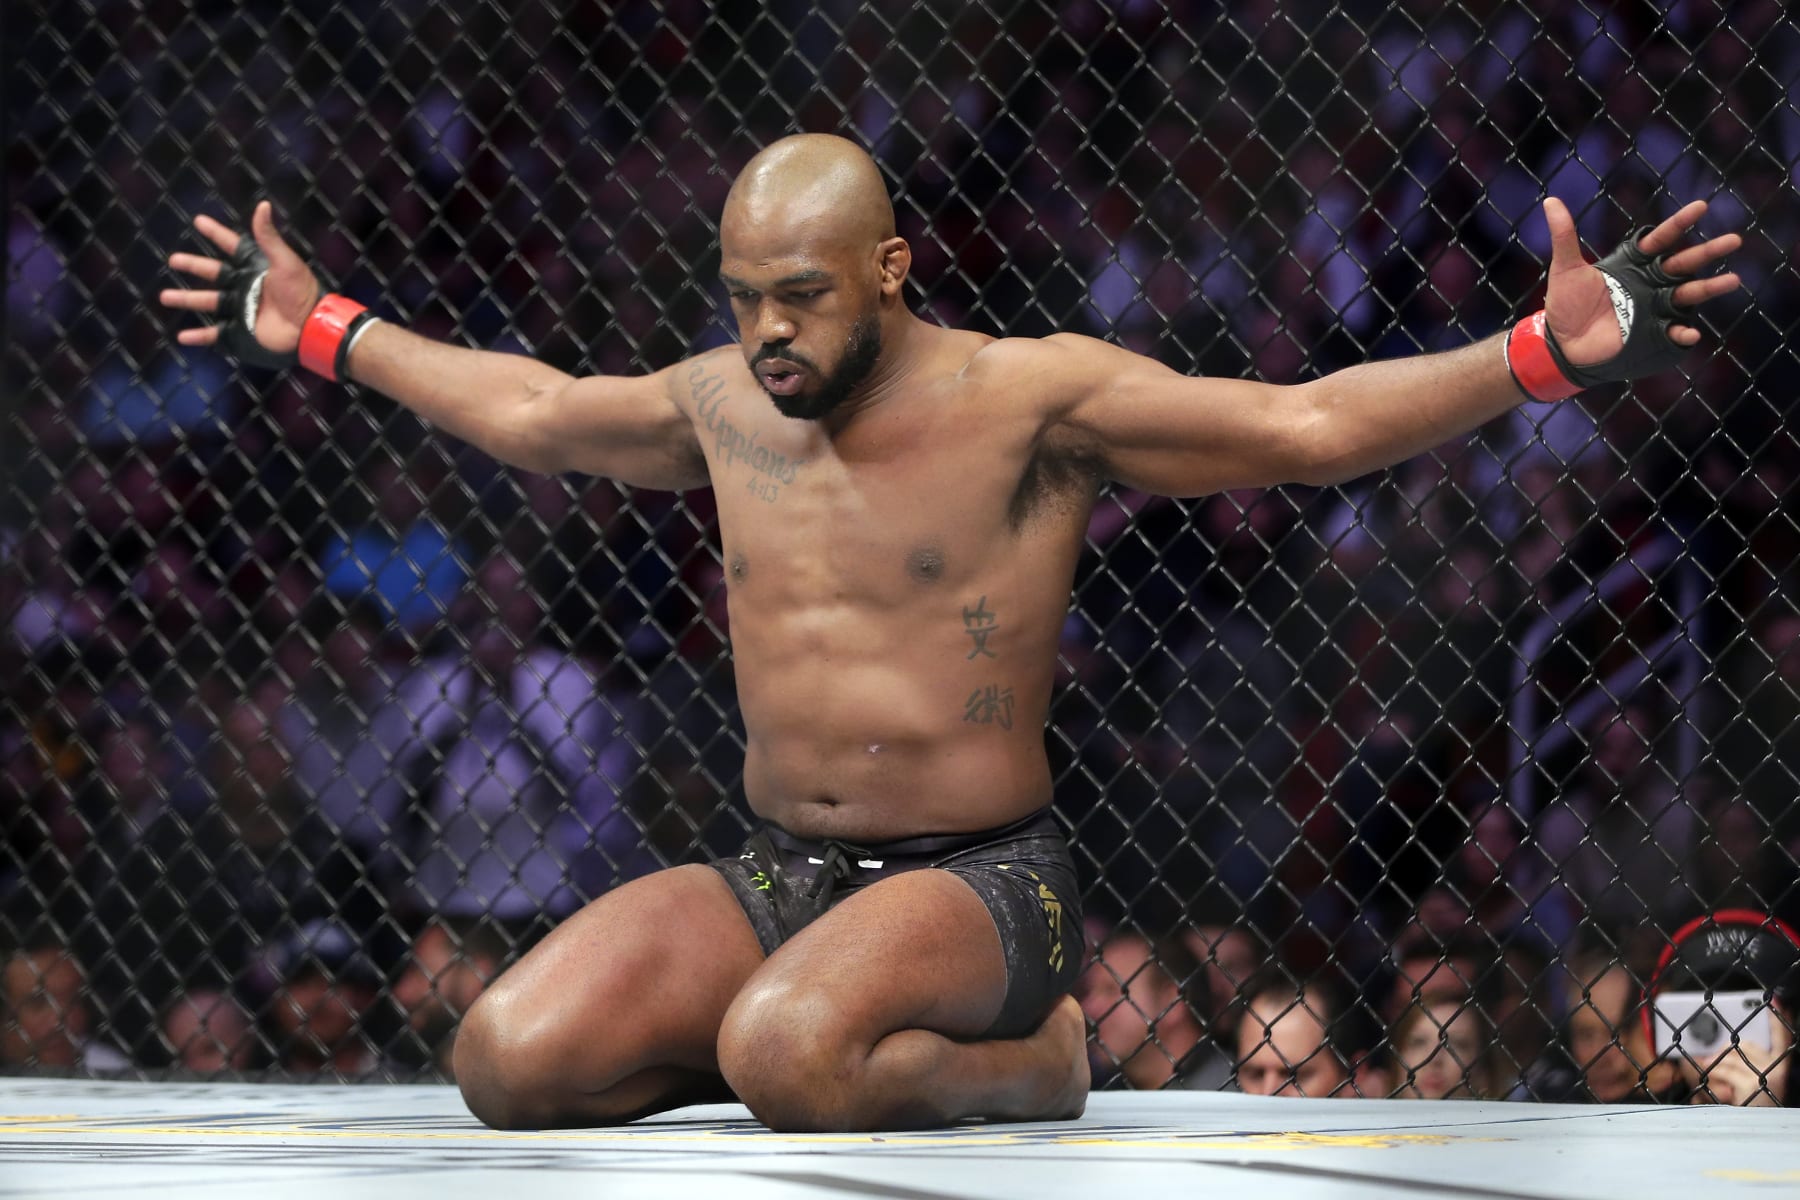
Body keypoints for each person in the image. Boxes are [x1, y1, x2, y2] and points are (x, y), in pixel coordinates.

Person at [161, 133, 1740, 1131]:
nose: (766, 333)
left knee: (787, 1057)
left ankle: (1025, 1063)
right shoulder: (723, 401)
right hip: (782, 867)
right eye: (740, 298)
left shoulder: (1028, 395)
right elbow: (533, 408)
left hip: (981, 882)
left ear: (891, 271)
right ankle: (814, 1043)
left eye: (800, 296)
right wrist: (322, 328)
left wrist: (1537, 353)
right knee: (507, 1062)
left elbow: (1305, 423)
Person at [1646, 910, 1799, 1107]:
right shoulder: (1636, 1118)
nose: (1726, 1042)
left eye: (1746, 1012)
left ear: (1791, 1024)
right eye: (1704, 1015)